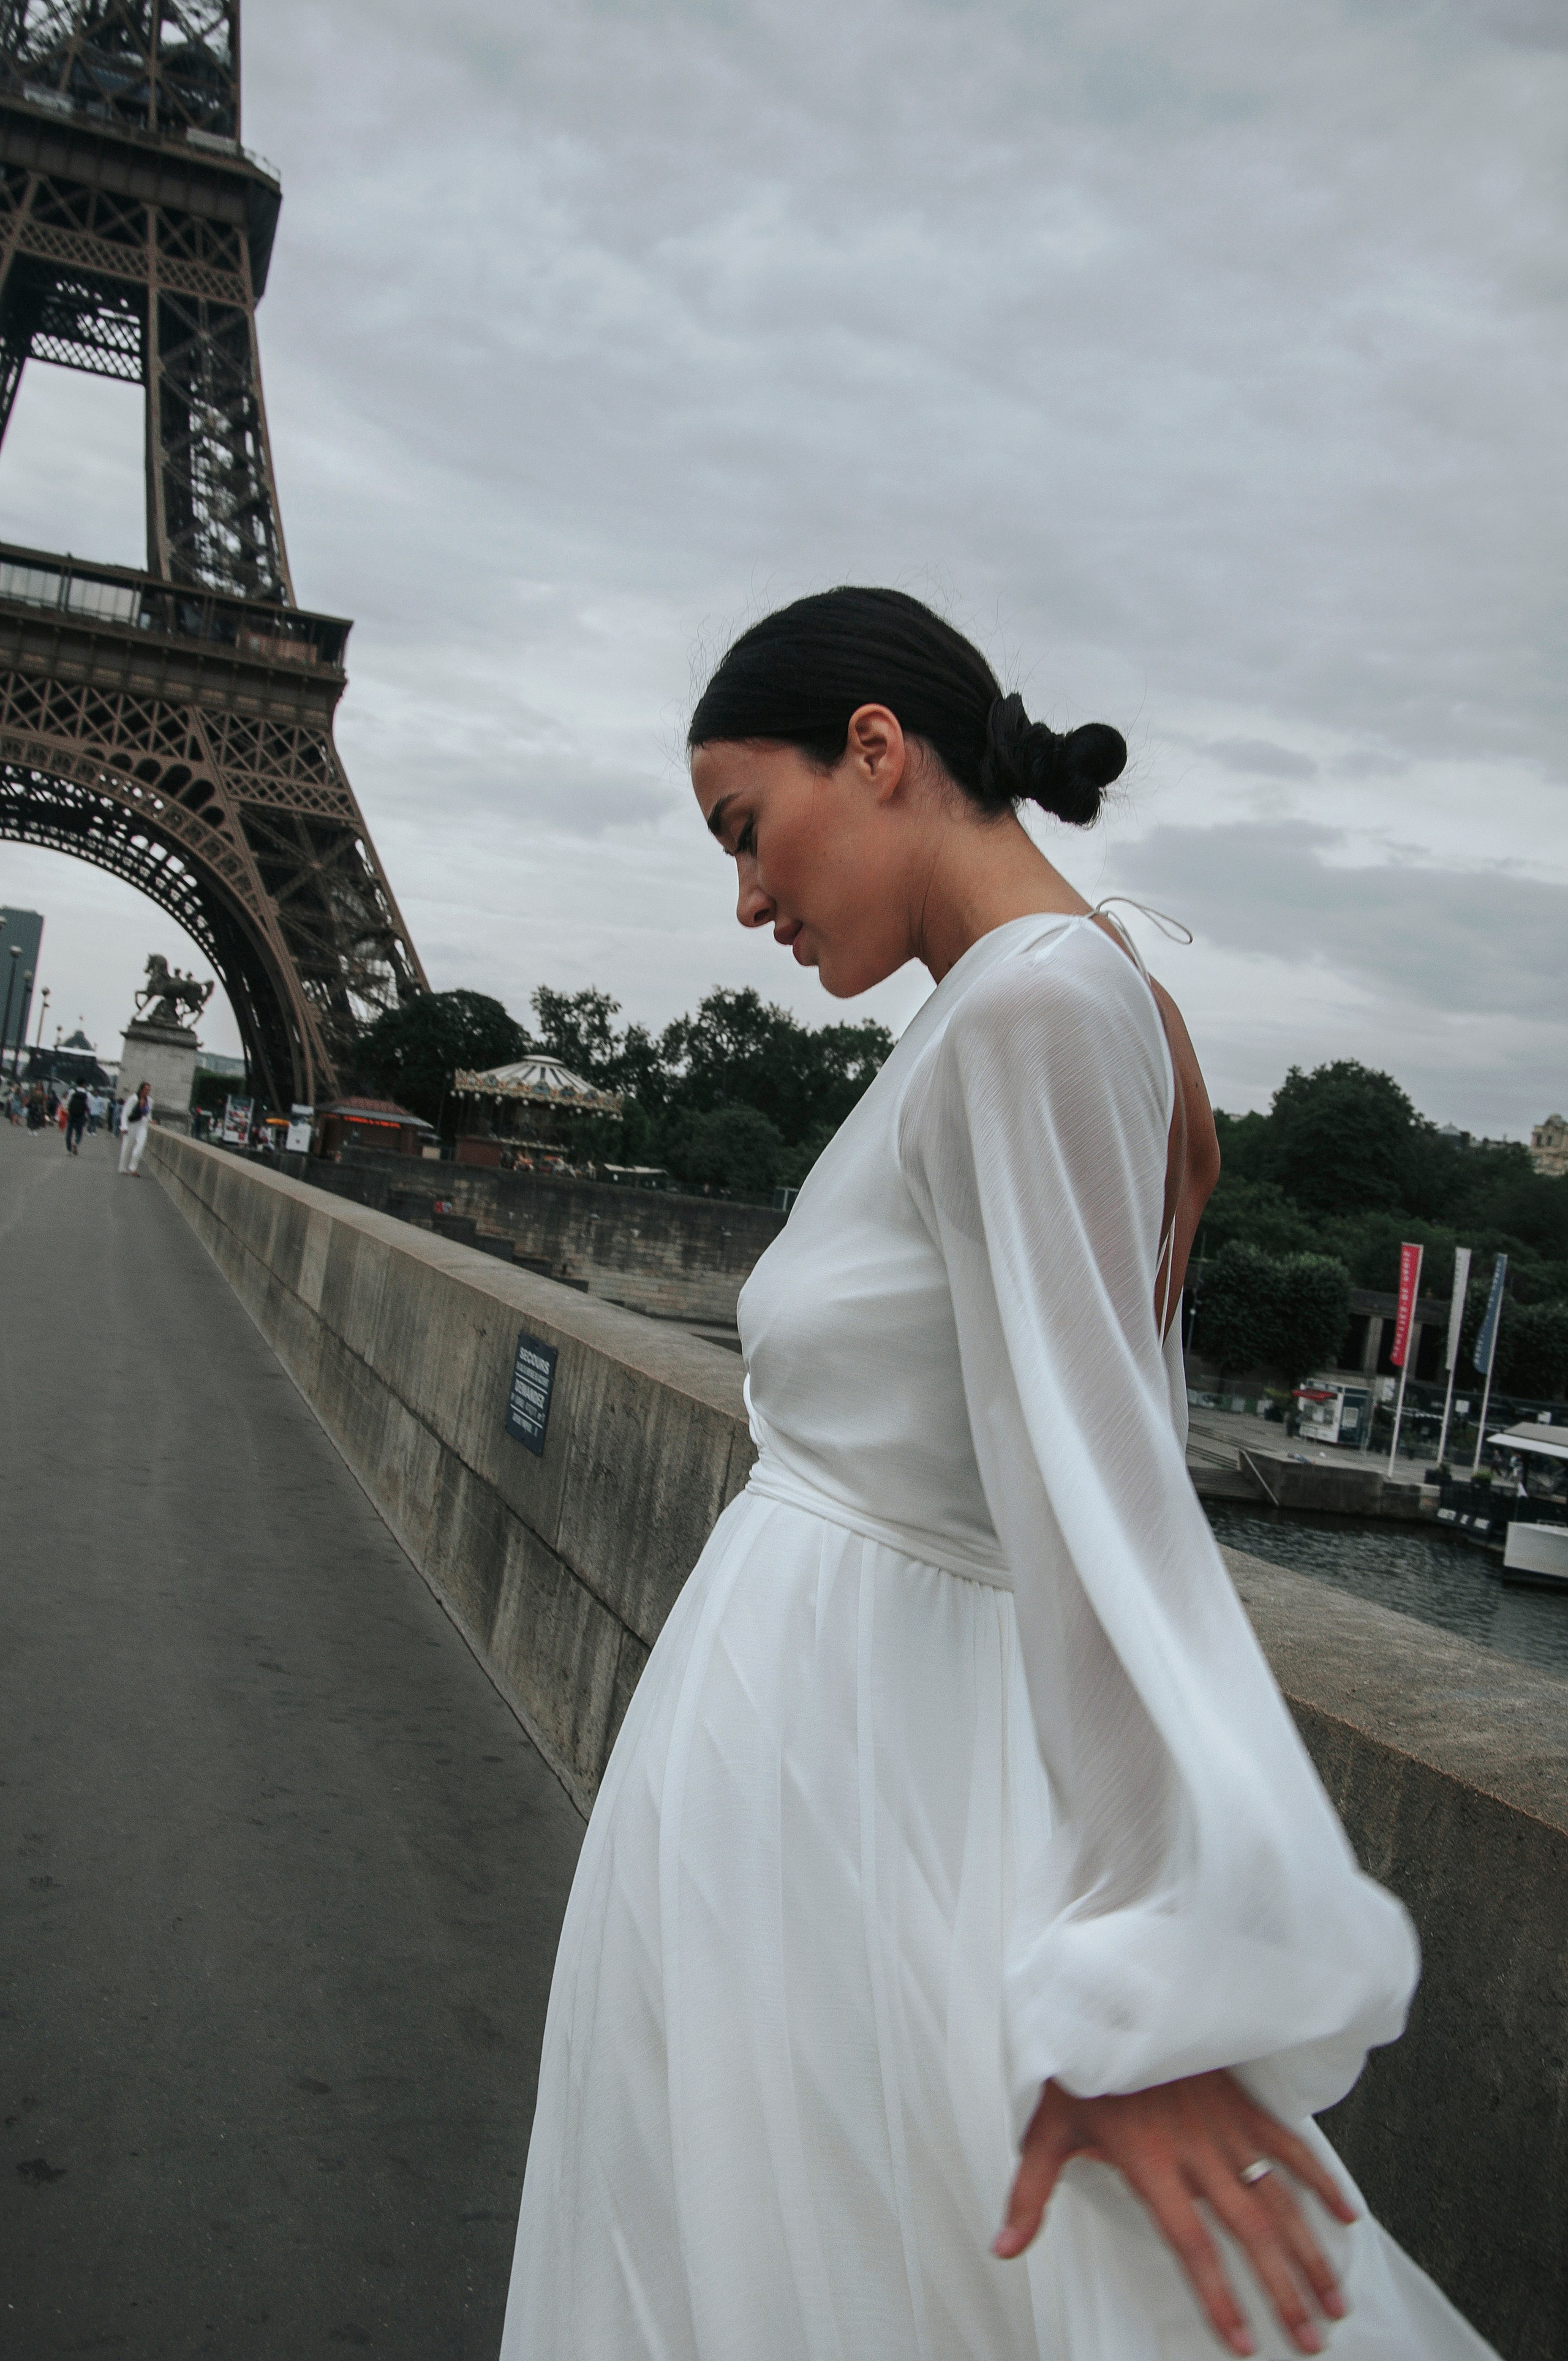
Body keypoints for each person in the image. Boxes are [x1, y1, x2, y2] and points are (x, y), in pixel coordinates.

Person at [501, 590, 1497, 2361]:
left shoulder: (1036, 1010)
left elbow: (1095, 1499)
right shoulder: (1016, 1003)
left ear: (875, 748)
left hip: (869, 1811)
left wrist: (1151, 1995)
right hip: (827, 1802)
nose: (746, 901)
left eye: (748, 829)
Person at [118, 1080, 153, 1176]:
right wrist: (124, 1126)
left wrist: (151, 1120)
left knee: (141, 1145)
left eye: (149, 1089)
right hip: (132, 1124)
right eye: (146, 1089)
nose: (148, 1091)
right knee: (127, 1147)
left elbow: (148, 1113)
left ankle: (133, 1168)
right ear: (142, 1089)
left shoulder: (150, 1101)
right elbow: (125, 1113)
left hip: (142, 1125)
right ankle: (123, 1168)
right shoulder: (133, 1099)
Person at [64, 1085, 88, 1155]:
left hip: (72, 1115)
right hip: (81, 1116)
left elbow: (68, 1102)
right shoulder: (87, 1094)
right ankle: (76, 1143)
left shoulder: (72, 1092)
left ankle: (69, 1150)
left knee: (69, 1132)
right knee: (79, 1133)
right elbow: (88, 1106)